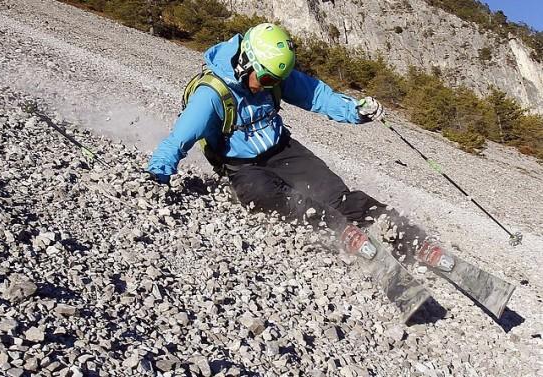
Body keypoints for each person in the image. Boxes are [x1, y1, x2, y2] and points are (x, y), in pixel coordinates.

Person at [147, 23, 451, 268]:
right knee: (266, 195)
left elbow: (317, 95)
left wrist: (355, 110)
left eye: (275, 80)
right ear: (244, 62)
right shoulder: (211, 94)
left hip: (282, 149)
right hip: (241, 165)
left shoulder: (272, 76)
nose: (269, 85)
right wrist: (157, 174)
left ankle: (409, 238)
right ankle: (338, 229)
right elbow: (179, 139)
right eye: (265, 78)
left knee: (336, 194)